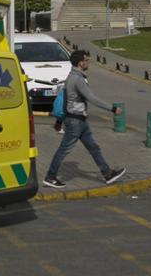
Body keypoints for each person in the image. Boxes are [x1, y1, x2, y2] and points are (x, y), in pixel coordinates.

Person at [43, 50, 125, 188]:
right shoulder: (77, 79)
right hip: (75, 121)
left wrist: (59, 121)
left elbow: (65, 100)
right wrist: (112, 108)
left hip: (80, 121)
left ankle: (107, 173)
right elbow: (92, 98)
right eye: (86, 60)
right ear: (80, 63)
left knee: (93, 147)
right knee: (64, 150)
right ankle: (50, 176)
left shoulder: (72, 76)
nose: (88, 62)